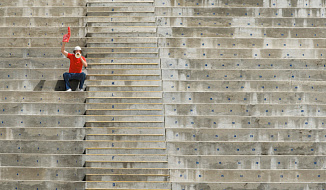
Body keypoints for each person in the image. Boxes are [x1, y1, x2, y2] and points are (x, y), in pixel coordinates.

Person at [61, 27, 88, 91]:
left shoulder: (82, 58)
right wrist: (64, 43)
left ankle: (81, 88)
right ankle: (68, 88)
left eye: (79, 51)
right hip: (71, 74)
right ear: (74, 52)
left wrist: (80, 57)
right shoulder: (72, 56)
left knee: (83, 75)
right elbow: (62, 51)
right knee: (65, 75)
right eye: (76, 51)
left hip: (78, 74)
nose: (77, 52)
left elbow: (86, 65)